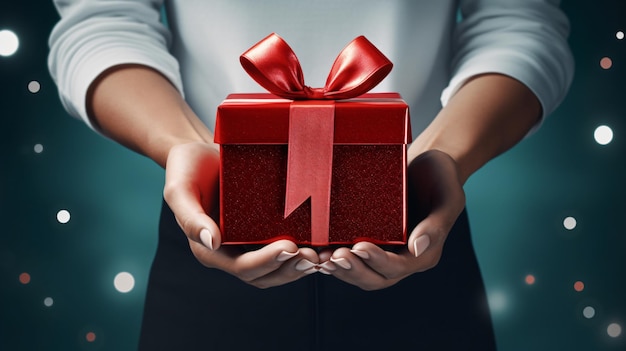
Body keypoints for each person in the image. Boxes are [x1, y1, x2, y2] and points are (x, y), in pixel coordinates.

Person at [48, 1, 574, 350]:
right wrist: (183, 145)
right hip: (210, 222)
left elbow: (520, 19)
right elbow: (102, 18)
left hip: (417, 221)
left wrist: (446, 158)